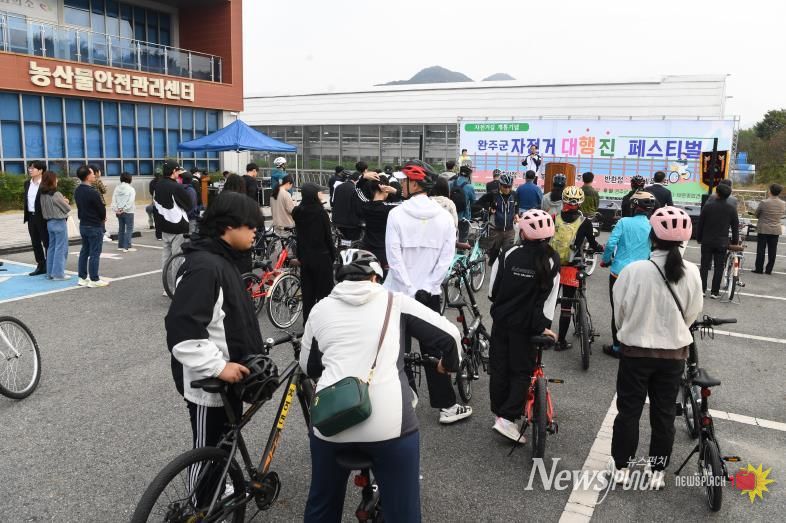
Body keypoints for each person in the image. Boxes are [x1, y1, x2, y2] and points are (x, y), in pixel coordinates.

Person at [301, 249, 461, 522]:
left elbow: (309, 367)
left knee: (322, 502)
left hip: (332, 422)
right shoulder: (396, 302)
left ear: (338, 278)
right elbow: (450, 336)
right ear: (375, 276)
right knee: (403, 509)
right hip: (390, 425)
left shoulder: (320, 309)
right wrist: (447, 366)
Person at [608, 206, 702, 487]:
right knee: (663, 414)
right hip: (673, 356)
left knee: (629, 411)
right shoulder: (692, 273)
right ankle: (657, 471)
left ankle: (622, 467)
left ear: (653, 237)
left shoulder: (633, 271)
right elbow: (691, 314)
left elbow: (619, 313)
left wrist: (632, 330)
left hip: (635, 354)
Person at [165, 191, 265, 454]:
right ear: (229, 225)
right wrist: (218, 367)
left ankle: (223, 486)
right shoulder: (205, 268)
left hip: (229, 375)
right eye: (251, 225)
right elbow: (183, 329)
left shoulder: (222, 259)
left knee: (224, 444)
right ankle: (202, 496)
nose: (256, 231)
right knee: (208, 452)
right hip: (209, 381)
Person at [387, 160, 470, 424]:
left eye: (403, 181)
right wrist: (427, 287)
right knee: (433, 349)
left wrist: (409, 288)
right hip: (428, 295)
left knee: (395, 350)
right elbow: (446, 258)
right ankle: (446, 406)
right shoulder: (445, 217)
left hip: (397, 293)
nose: (400, 184)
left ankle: (404, 396)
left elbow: (393, 257)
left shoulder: (396, 215)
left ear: (414, 183)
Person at [487, 209, 560, 442]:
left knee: (500, 367)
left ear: (524, 232)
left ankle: (500, 414)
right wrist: (543, 327)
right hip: (528, 327)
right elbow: (549, 302)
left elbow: (491, 292)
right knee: (521, 371)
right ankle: (507, 419)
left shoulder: (508, 253)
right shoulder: (551, 259)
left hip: (502, 322)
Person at [600, 191, 656, 358]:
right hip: (642, 273)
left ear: (634, 206)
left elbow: (610, 244)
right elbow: (654, 248)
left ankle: (617, 347)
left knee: (617, 309)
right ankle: (635, 344)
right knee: (638, 308)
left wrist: (606, 260)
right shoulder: (652, 225)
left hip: (619, 273)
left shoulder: (624, 222)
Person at [550, 186, 602, 351]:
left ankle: (543, 337)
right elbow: (593, 244)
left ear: (564, 200)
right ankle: (561, 342)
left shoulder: (554, 217)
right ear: (580, 202)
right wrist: (600, 248)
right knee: (566, 305)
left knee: (547, 303)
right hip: (571, 268)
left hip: (552, 266)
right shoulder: (585, 222)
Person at [293, 183, 336, 323]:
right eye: (319, 192)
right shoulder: (320, 213)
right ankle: (323, 323)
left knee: (308, 293)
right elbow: (327, 237)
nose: (321, 194)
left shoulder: (298, 212)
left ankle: (308, 323)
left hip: (305, 257)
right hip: (322, 257)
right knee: (324, 293)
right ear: (314, 194)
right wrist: (333, 255)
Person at [154, 160, 194, 293]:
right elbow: (188, 205)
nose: (179, 174)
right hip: (178, 227)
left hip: (164, 226)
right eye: (178, 171)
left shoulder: (157, 185)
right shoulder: (176, 187)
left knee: (166, 259)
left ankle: (167, 288)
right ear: (173, 172)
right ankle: (177, 289)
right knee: (177, 259)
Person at [696, 183, 739, 298]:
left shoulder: (708, 206)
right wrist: (735, 242)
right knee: (719, 266)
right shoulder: (731, 209)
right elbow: (735, 227)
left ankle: (702, 290)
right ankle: (715, 292)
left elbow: (701, 224)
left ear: (717, 193)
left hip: (707, 240)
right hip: (722, 242)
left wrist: (699, 238)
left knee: (704, 265)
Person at [74, 165, 108, 288]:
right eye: (93, 174)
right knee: (95, 252)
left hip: (83, 224)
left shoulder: (78, 190)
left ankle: (82, 278)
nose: (94, 175)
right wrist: (103, 218)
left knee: (84, 251)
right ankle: (94, 279)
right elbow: (101, 208)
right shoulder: (92, 192)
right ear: (88, 176)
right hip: (94, 225)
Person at [476, 173, 519, 267]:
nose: (507, 189)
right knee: (493, 256)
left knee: (507, 255)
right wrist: (489, 208)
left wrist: (516, 214)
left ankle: (503, 273)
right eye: (505, 186)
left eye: (509, 187)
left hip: (509, 230)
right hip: (495, 230)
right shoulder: (493, 194)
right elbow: (479, 203)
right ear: (500, 185)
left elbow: (516, 205)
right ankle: (493, 270)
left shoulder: (514, 194)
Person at [360, 175, 400, 270]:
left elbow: (358, 190)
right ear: (385, 188)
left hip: (367, 248)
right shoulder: (390, 208)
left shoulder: (365, 205)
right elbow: (410, 201)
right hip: (385, 250)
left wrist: (363, 177)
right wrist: (395, 191)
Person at [38, 171, 71, 280]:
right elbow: (67, 208)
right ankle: (58, 274)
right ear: (52, 180)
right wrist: (66, 201)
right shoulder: (56, 194)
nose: (57, 180)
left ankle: (50, 273)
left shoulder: (42, 194)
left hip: (49, 223)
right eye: (56, 179)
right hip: (59, 222)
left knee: (51, 248)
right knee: (61, 248)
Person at [23, 160, 49, 275]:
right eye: (29, 168)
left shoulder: (46, 183)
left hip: (43, 217)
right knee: (35, 243)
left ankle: (50, 265)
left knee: (47, 242)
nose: (30, 170)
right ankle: (41, 265)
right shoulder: (27, 183)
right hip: (31, 217)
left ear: (41, 170)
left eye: (33, 168)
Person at [753, 183, 786, 275]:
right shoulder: (783, 203)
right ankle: (769, 270)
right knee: (772, 250)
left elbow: (757, 214)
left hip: (763, 228)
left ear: (770, 191)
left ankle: (759, 269)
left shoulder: (764, 202)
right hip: (775, 229)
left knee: (761, 249)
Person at [332, 171, 366, 241]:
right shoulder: (356, 189)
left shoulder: (338, 187)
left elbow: (333, 202)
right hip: (351, 223)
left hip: (337, 221)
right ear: (358, 179)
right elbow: (358, 207)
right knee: (352, 243)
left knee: (341, 241)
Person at [111, 172, 137, 252]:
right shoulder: (131, 189)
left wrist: (117, 209)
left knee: (121, 229)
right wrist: (124, 209)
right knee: (129, 229)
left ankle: (120, 246)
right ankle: (127, 246)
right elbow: (130, 201)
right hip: (128, 212)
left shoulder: (117, 188)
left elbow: (113, 200)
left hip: (119, 212)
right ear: (130, 179)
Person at [450, 165, 476, 242]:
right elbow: (473, 202)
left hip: (451, 216)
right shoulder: (469, 187)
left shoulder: (451, 183)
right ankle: (461, 252)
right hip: (464, 217)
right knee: (463, 240)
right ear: (468, 175)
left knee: (451, 239)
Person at [88, 164, 110, 241]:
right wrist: (105, 187)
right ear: (96, 172)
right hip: (100, 201)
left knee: (96, 219)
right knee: (102, 218)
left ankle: (103, 232)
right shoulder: (98, 181)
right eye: (99, 171)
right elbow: (104, 191)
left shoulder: (88, 182)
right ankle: (103, 234)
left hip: (91, 203)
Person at [180, 171, 200, 236]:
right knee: (191, 237)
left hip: (181, 218)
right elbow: (193, 205)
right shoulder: (191, 190)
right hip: (191, 217)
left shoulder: (179, 188)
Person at [146, 169, 162, 239]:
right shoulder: (162, 181)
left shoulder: (152, 182)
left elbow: (151, 192)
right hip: (162, 202)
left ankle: (158, 234)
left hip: (155, 201)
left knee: (155, 217)